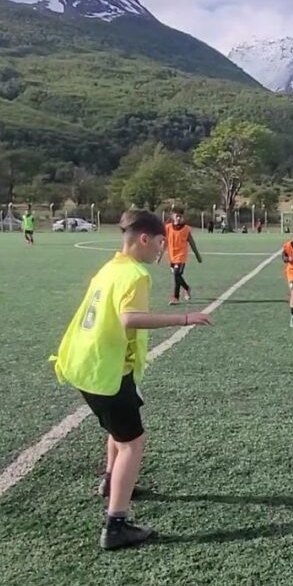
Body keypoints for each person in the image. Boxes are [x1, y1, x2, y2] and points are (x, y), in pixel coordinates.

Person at [51, 209, 212, 550]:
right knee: (132, 443)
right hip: (105, 369)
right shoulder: (136, 274)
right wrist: (184, 318)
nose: (161, 250)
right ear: (143, 239)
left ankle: (112, 482)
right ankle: (116, 524)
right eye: (159, 242)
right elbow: (129, 319)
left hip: (84, 364)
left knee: (119, 433)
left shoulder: (111, 267)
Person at [161, 208, 202, 305]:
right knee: (177, 276)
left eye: (180, 216)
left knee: (176, 274)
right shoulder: (168, 228)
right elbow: (165, 242)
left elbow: (192, 243)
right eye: (177, 216)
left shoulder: (186, 229)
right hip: (171, 256)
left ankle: (175, 297)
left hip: (181, 256)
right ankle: (187, 288)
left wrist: (197, 255)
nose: (178, 218)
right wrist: (159, 256)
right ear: (172, 217)